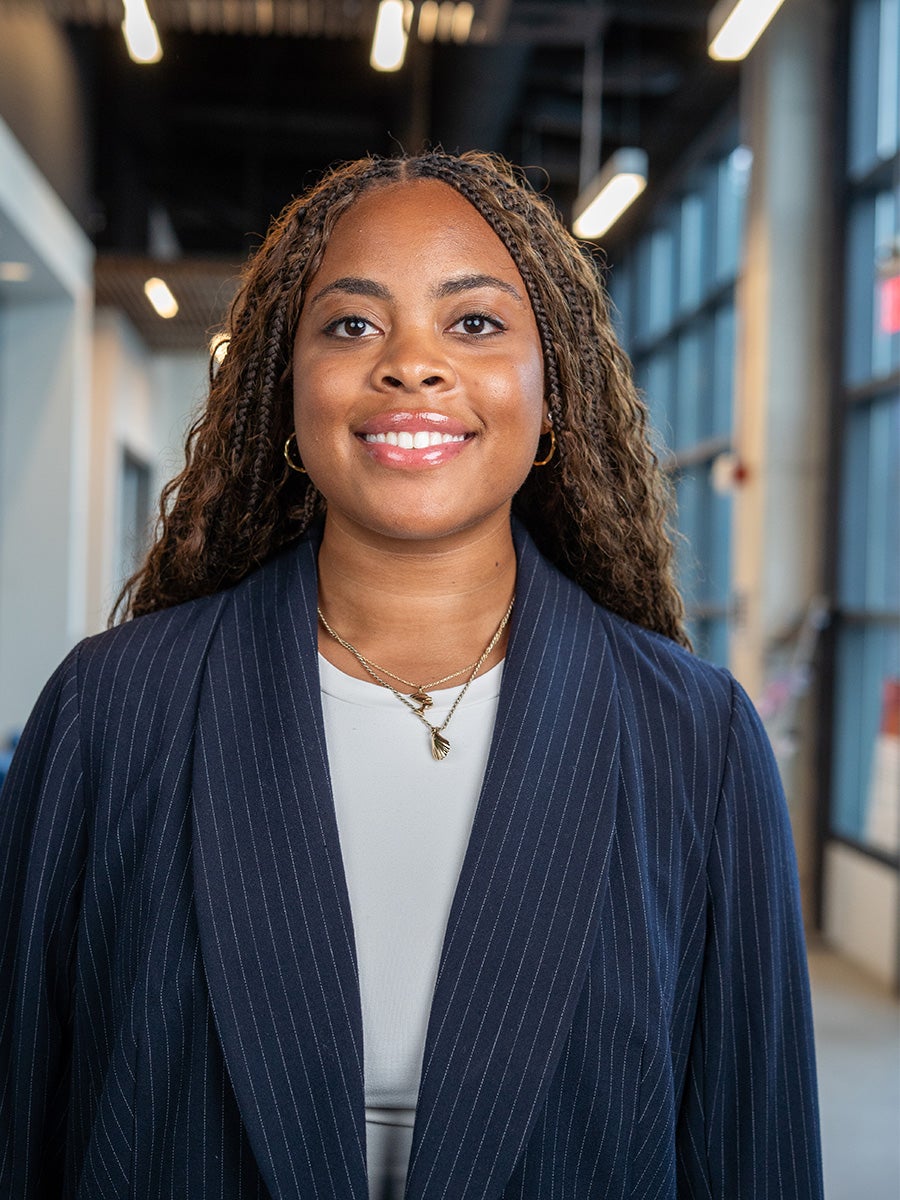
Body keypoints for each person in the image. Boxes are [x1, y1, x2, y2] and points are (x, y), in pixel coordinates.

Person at [0, 151, 823, 1199]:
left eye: (474, 322)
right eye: (352, 325)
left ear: (554, 392)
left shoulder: (697, 741)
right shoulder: (112, 712)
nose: (411, 364)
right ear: (286, 389)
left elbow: (755, 1152)